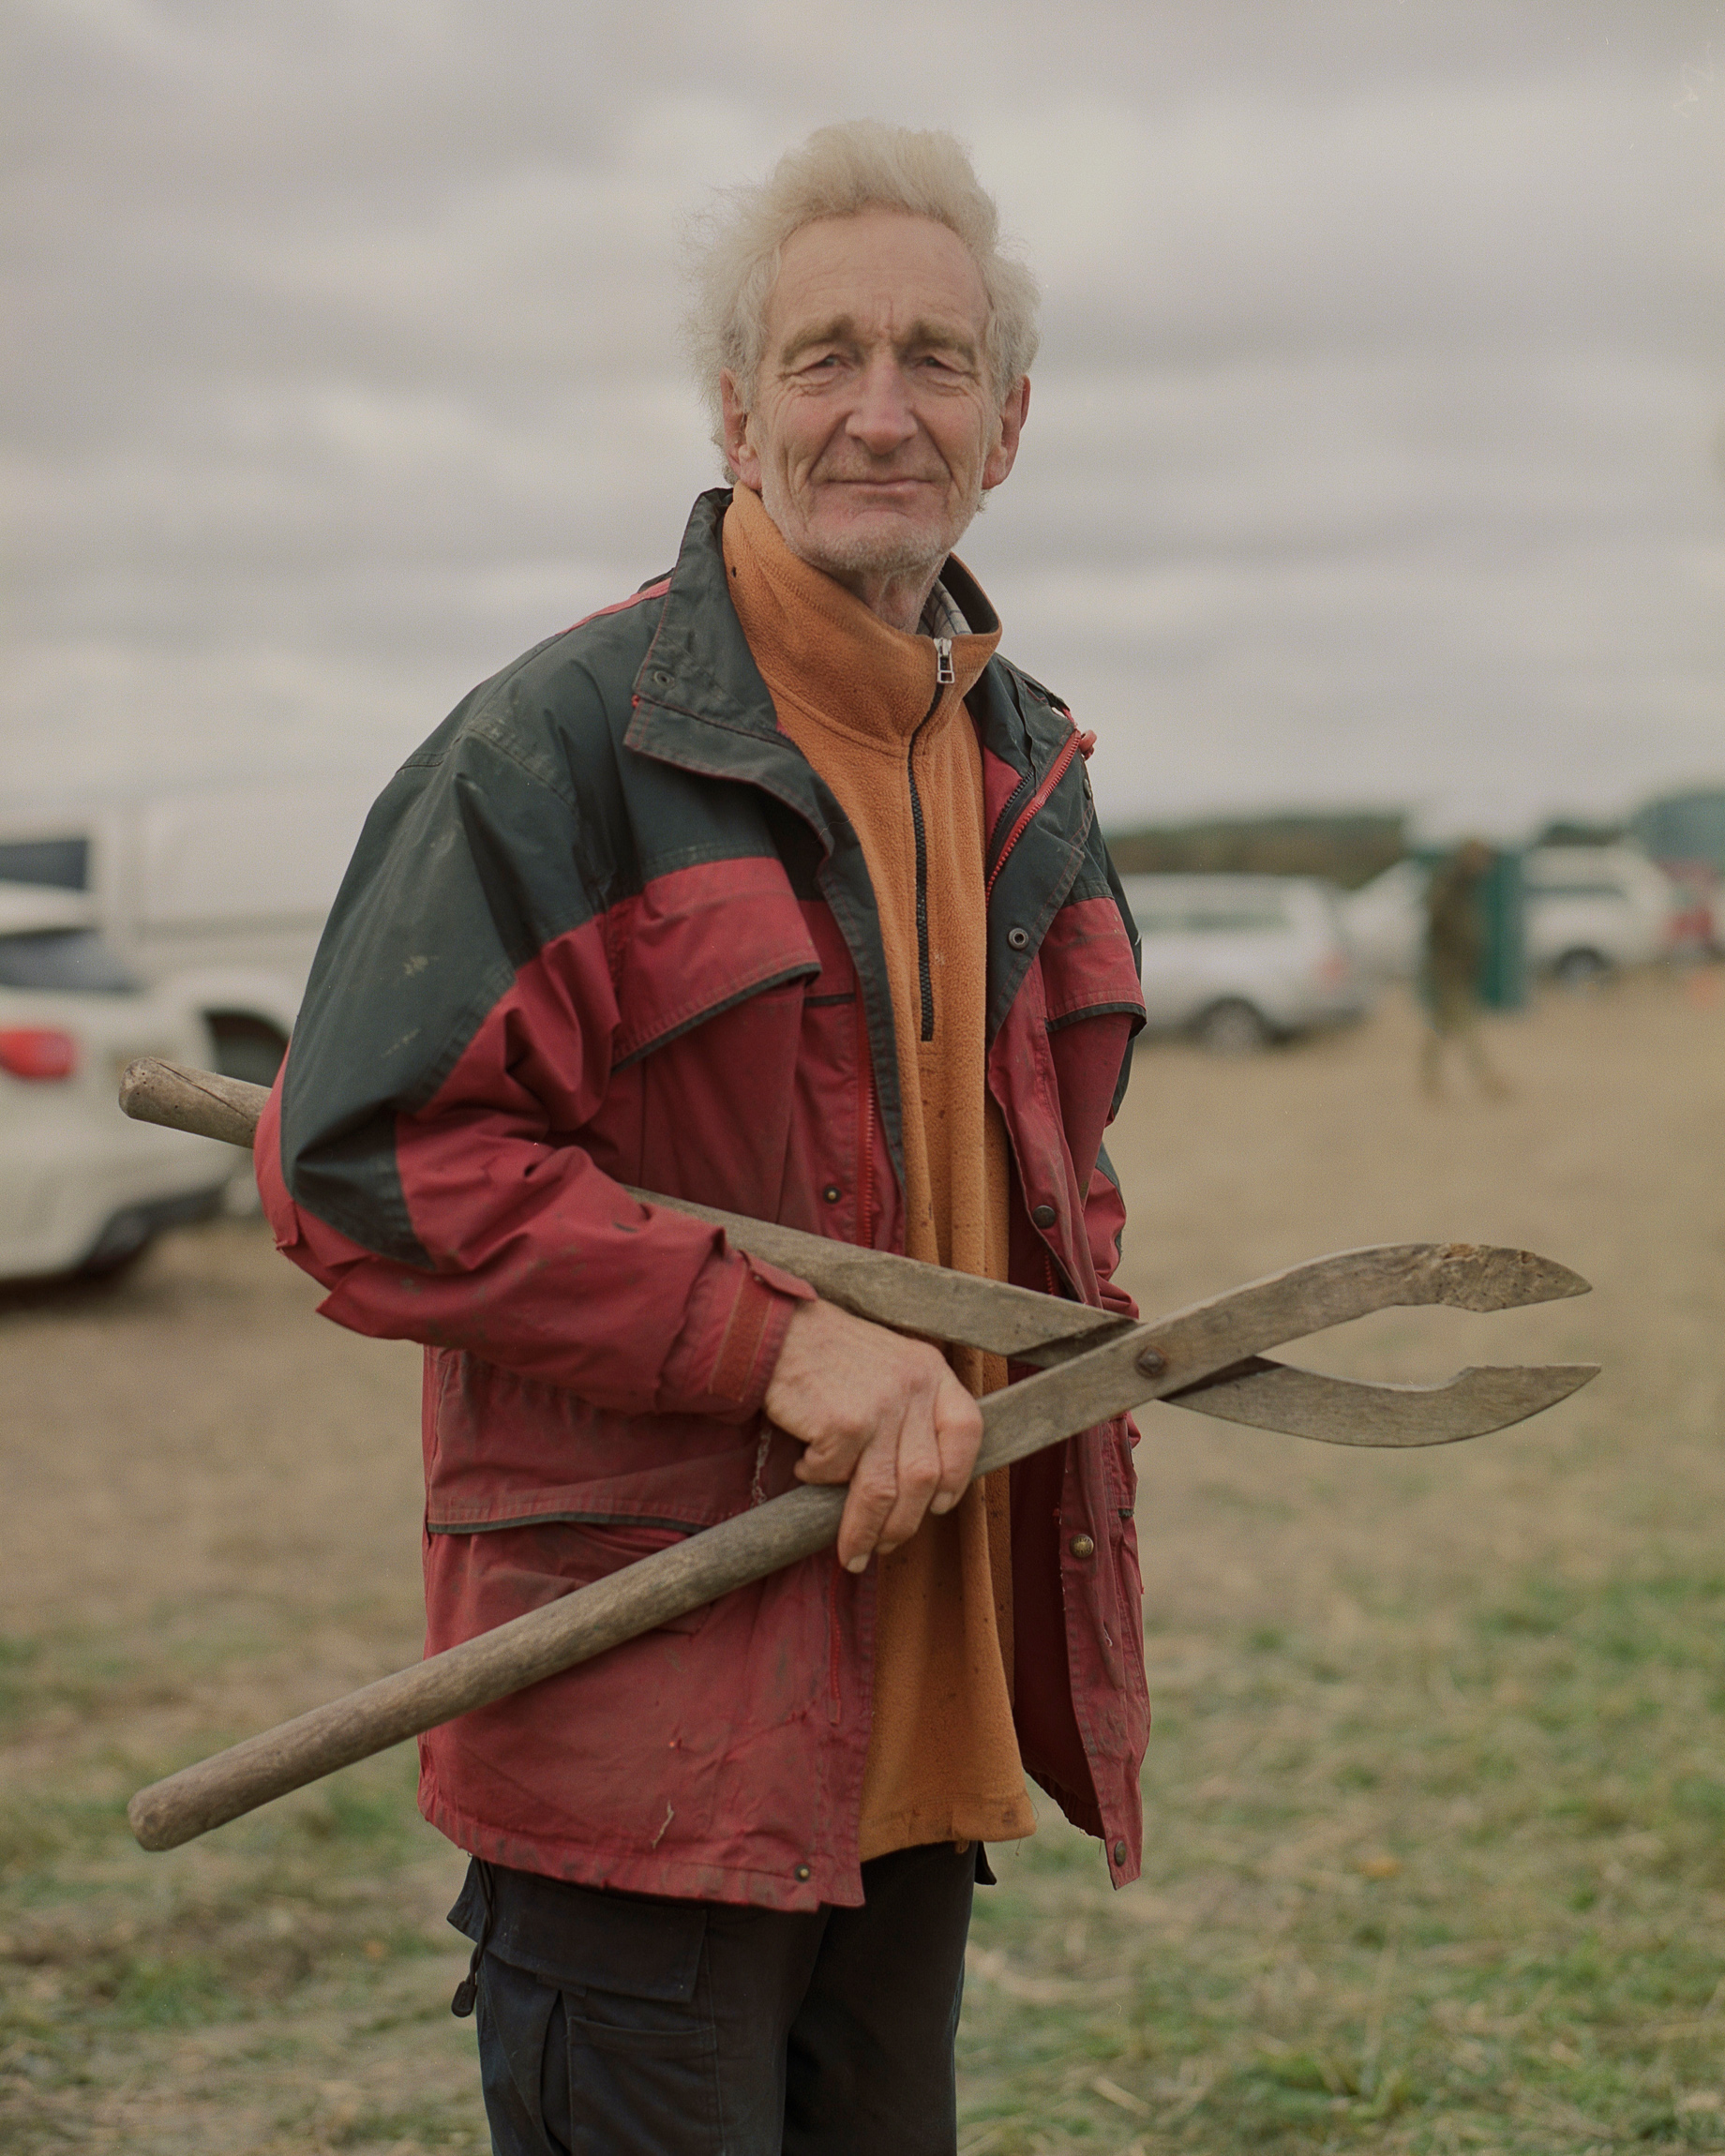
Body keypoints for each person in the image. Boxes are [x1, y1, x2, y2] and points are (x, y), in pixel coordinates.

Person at [256, 121, 1148, 2155]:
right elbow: (362, 1167)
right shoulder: (555, 747)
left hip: (915, 1723)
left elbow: (1037, 1173)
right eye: (820, 356)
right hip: (643, 1731)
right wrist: (780, 1341)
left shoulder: (1032, 768)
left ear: (1005, 425)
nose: (875, 408)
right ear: (734, 407)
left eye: (932, 360)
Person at [1420, 839, 1510, 1100]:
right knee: (1467, 1024)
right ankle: (1487, 1079)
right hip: (1449, 968)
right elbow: (1437, 922)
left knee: (1441, 1025)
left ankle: (1430, 1080)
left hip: (1459, 967)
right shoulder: (1449, 886)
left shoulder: (1465, 887)